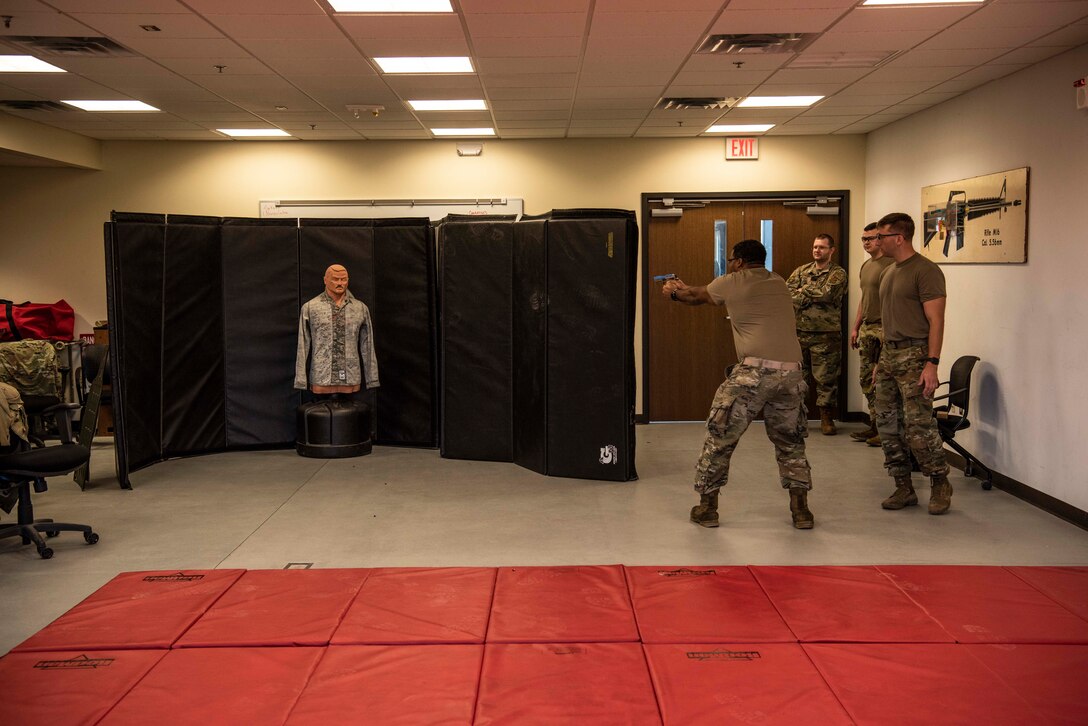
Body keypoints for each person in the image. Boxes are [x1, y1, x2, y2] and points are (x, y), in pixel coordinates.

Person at [662, 239, 814, 530]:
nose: (731, 265)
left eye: (732, 260)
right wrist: (685, 288)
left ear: (739, 262)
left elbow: (694, 297)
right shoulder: (779, 281)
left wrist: (673, 292)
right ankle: (801, 511)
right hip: (792, 375)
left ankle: (707, 509)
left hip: (754, 373)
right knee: (791, 442)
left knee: (719, 437)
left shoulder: (733, 280)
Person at [871, 212, 953, 514]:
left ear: (899, 238)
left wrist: (932, 363)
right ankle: (903, 487)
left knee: (918, 425)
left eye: (882, 236)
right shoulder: (889, 271)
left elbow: (936, 320)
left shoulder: (926, 271)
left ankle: (939, 482)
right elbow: (889, 320)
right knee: (888, 426)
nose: (877, 241)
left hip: (916, 356)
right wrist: (881, 359)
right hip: (890, 356)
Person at [787, 234, 847, 435]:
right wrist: (809, 294)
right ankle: (799, 418)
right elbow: (787, 294)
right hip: (800, 333)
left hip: (826, 334)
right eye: (815, 247)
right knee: (798, 378)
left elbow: (829, 294)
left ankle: (826, 417)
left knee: (826, 378)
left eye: (822, 247)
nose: (817, 250)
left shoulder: (837, 273)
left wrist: (804, 291)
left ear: (831, 250)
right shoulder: (802, 271)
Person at [294, 264, 379, 397]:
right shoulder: (310, 308)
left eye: (343, 279)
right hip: (321, 378)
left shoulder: (360, 308)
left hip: (351, 378)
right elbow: (302, 346)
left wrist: (372, 379)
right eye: (335, 279)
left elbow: (367, 346)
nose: (340, 283)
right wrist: (301, 380)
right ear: (325, 280)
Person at [849, 223, 894, 446]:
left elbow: (893, 303)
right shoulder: (867, 266)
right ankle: (874, 425)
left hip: (883, 329)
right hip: (867, 327)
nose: (867, 242)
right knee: (866, 380)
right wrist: (856, 326)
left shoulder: (891, 265)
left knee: (881, 381)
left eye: (871, 238)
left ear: (881, 239)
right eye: (863, 238)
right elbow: (864, 299)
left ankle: (885, 431)